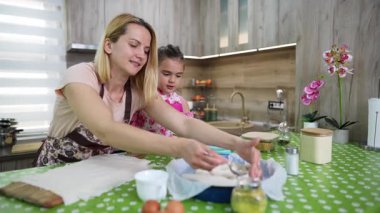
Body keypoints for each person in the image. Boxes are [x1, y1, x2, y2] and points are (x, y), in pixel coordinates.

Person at [35, 13, 262, 178]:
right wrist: (180, 147)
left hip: (94, 174)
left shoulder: (137, 91)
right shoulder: (81, 76)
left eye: (146, 50)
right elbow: (105, 129)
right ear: (108, 45)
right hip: (55, 174)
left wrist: (236, 143)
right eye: (134, 45)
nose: (141, 55)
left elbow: (184, 123)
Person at [130, 44, 192, 137]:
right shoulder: (144, 95)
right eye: (166, 74)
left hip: (173, 150)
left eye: (178, 75)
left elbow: (188, 133)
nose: (172, 80)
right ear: (153, 70)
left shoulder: (182, 103)